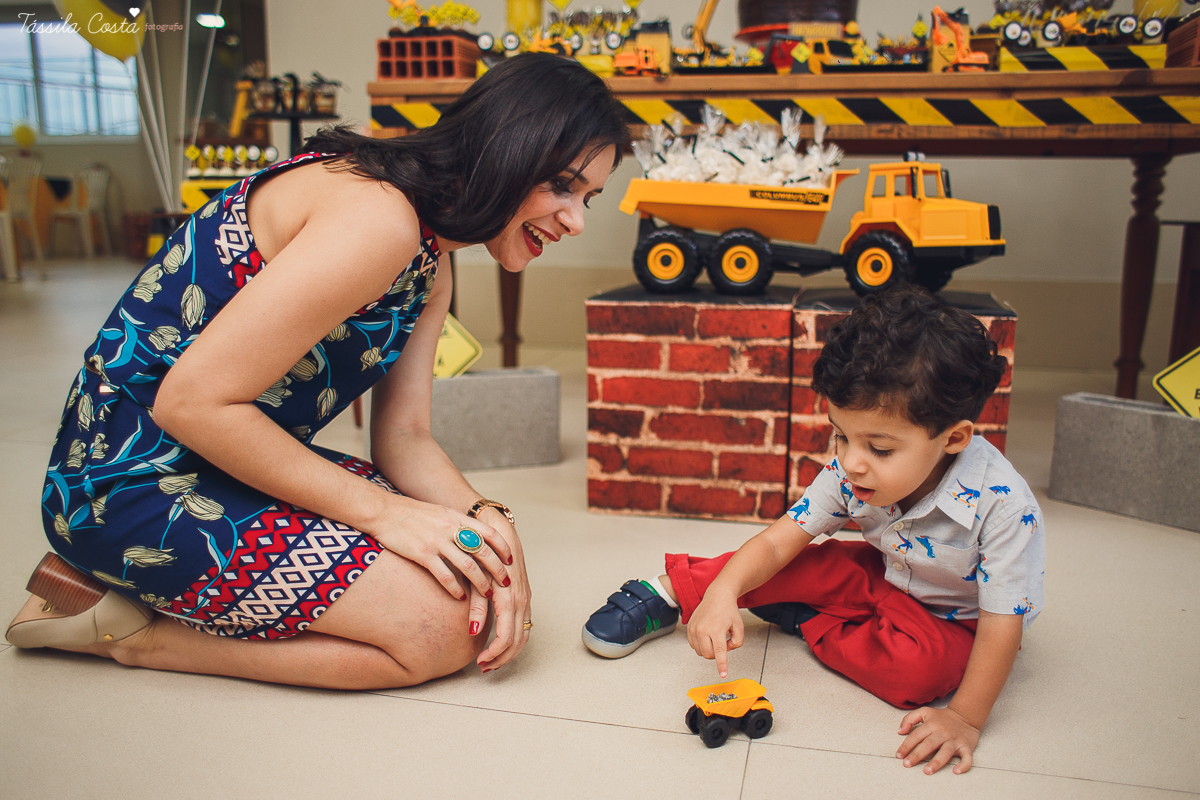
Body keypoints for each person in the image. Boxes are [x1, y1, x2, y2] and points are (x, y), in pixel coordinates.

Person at [6, 53, 629, 689]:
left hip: (227, 463)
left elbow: (405, 436)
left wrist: (488, 519)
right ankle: (134, 636)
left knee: (473, 573)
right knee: (438, 628)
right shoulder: (380, 218)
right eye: (562, 185)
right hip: (127, 483)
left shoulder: (432, 260)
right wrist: (387, 516)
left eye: (589, 197)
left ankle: (134, 600)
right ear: (507, 149)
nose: (576, 221)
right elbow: (188, 404)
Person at [582, 285, 1044, 775]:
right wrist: (723, 593)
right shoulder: (850, 470)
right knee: (800, 563)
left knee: (918, 676)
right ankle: (672, 591)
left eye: (880, 449)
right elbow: (777, 541)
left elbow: (1001, 625)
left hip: (957, 621)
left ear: (953, 438)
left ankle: (805, 618)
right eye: (840, 435)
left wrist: (966, 719)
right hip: (886, 573)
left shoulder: (1004, 508)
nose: (852, 461)